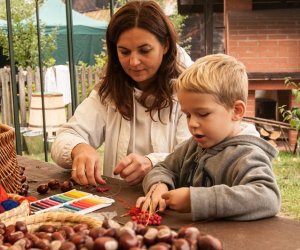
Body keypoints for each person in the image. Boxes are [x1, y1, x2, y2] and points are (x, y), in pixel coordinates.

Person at [51, 0, 193, 186]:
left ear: (165, 45)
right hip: (117, 204)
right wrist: (78, 148)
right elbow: (64, 137)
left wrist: (153, 163)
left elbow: (194, 156)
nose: (134, 62)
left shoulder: (190, 92)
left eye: (144, 50)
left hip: (172, 205)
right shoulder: (109, 92)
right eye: (124, 52)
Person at [137, 54, 281, 221]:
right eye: (188, 115)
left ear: (236, 111)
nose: (192, 124)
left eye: (203, 114)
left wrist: (196, 199)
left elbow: (267, 197)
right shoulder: (192, 146)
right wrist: (159, 185)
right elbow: (164, 168)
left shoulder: (247, 155)